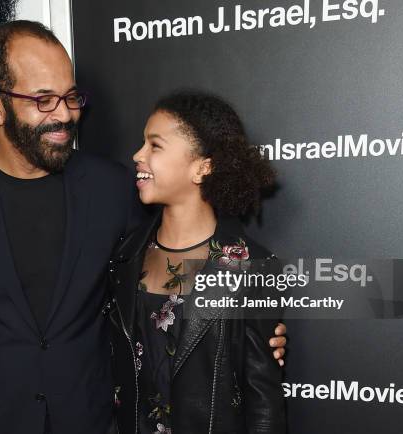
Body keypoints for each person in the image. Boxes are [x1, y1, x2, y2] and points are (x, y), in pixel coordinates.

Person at [0, 21, 287, 434]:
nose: (65, 114)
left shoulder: (112, 187)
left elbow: (179, 253)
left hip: (92, 421)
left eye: (70, 97)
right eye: (43, 99)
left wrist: (250, 317)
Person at [109, 91, 286, 433]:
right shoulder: (125, 256)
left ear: (203, 167)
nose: (137, 155)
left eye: (154, 145)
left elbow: (264, 406)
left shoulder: (252, 269)